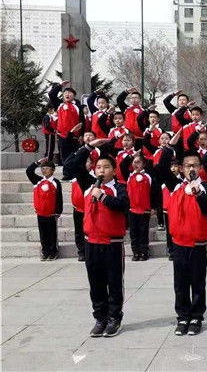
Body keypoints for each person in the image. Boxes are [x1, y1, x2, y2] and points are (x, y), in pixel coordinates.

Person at [65, 140, 130, 338]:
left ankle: (114, 317)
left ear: (114, 170)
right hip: (91, 242)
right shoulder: (88, 184)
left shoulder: (119, 187)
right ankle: (100, 317)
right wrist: (88, 147)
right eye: (98, 167)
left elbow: (123, 205)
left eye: (106, 167)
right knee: (96, 283)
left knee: (114, 282)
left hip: (112, 244)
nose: (102, 170)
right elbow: (72, 166)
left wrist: (103, 197)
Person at [157, 130, 207, 336]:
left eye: (195, 165)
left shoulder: (206, 187)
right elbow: (161, 168)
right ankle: (182, 317)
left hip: (198, 244)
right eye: (188, 166)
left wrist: (198, 192)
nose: (192, 169)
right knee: (180, 284)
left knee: (198, 283)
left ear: (200, 168)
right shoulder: (175, 186)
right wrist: (170, 147)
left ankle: (197, 317)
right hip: (179, 244)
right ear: (181, 168)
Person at [26, 158, 63, 261]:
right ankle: (45, 252)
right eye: (43, 168)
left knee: (52, 234)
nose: (44, 170)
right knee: (43, 234)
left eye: (47, 168)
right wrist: (37, 163)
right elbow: (29, 171)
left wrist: (58, 212)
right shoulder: (38, 181)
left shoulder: (56, 182)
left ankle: (53, 252)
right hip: (40, 213)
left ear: (53, 170)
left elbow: (59, 197)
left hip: (51, 214)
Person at [119, 152, 152, 261]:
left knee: (143, 232)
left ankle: (144, 252)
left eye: (138, 162)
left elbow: (154, 193)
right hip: (132, 209)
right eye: (134, 162)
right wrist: (131, 156)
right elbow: (122, 165)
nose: (136, 164)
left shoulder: (148, 176)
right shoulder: (129, 176)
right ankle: (136, 252)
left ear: (144, 164)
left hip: (144, 210)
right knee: (134, 232)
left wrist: (154, 208)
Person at [48, 81, 84, 168]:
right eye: (65, 93)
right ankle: (66, 173)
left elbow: (82, 122)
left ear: (74, 95)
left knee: (74, 155)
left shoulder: (78, 107)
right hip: (62, 135)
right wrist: (59, 86)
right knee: (64, 156)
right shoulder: (59, 104)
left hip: (75, 136)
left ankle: (75, 174)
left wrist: (82, 135)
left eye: (70, 93)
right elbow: (51, 94)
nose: (67, 94)